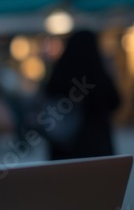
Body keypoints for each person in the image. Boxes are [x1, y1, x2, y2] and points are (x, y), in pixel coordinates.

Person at [42, 29, 121, 160]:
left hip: (64, 145)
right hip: (97, 146)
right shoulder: (98, 73)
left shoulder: (62, 71)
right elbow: (116, 102)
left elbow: (49, 95)